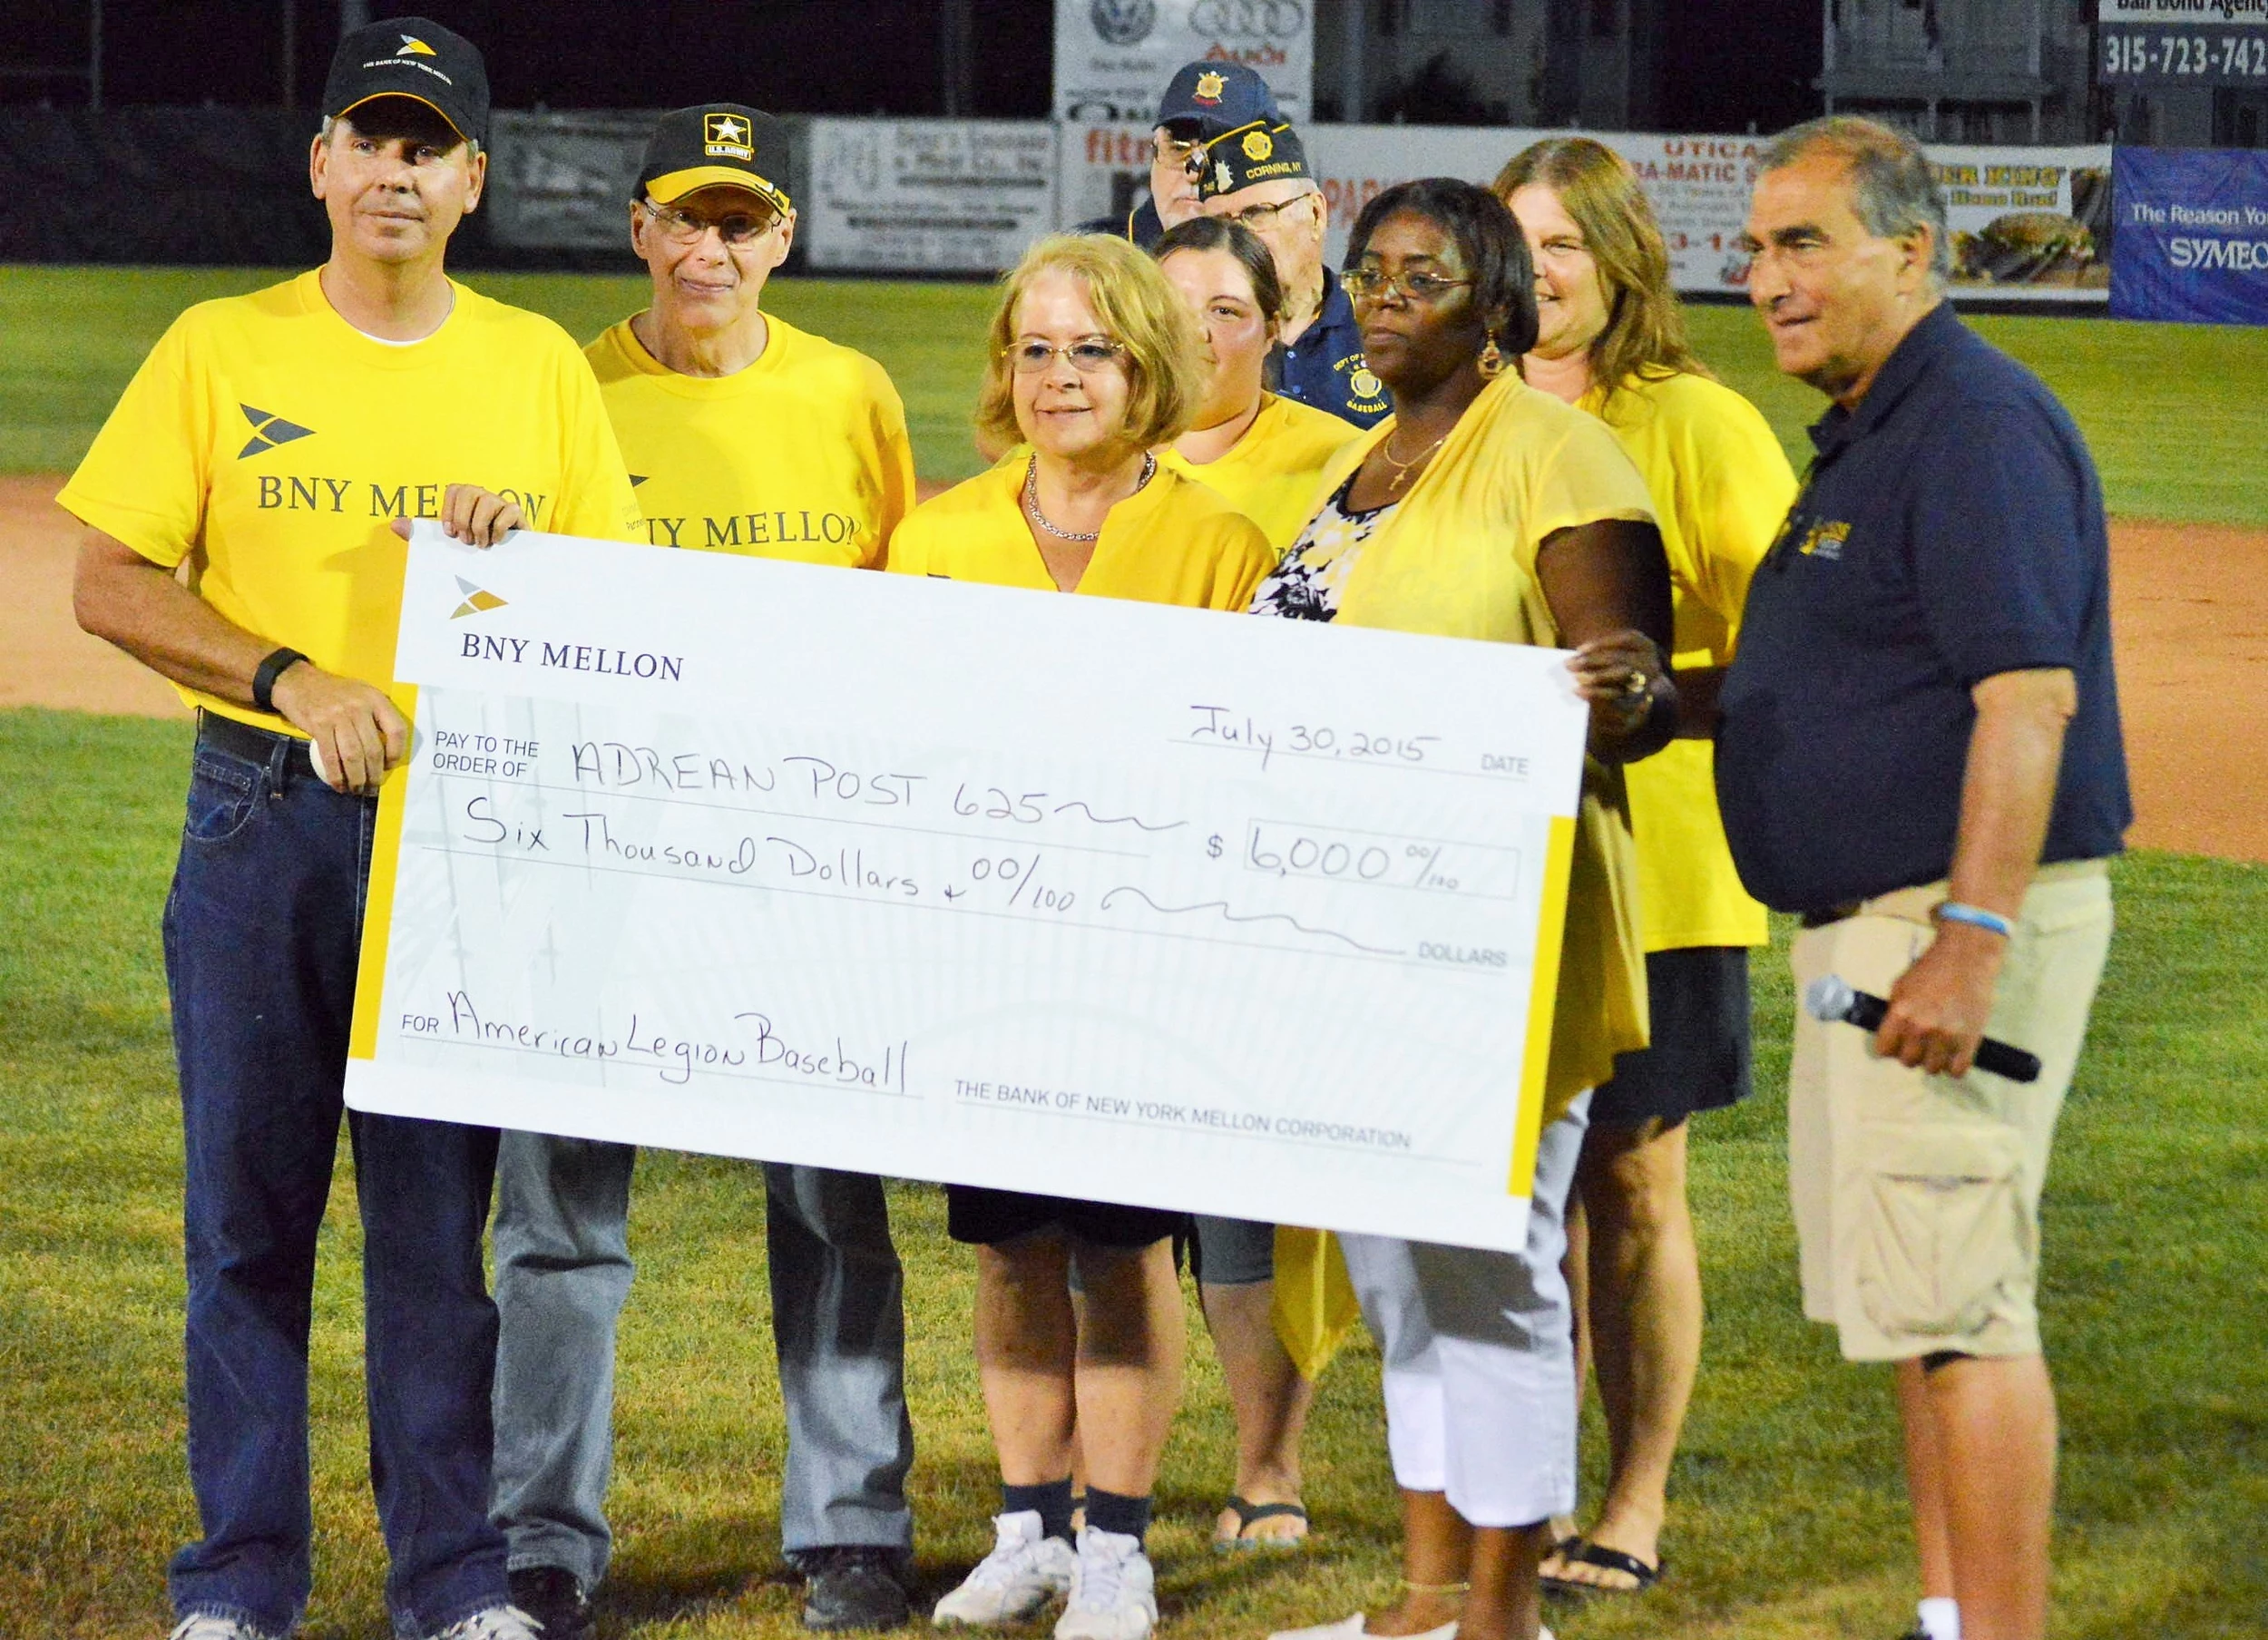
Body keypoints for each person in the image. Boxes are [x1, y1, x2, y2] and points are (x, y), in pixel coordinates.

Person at [62, 18, 640, 1640]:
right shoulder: (219, 344)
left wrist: (522, 553)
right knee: (245, 1221)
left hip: (461, 835)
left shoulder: (533, 366)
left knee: (429, 1235)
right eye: (369, 138)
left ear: (474, 180)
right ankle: (239, 1580)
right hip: (261, 808)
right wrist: (291, 673)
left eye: (428, 144)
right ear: (320, 162)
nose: (396, 169)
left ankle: (452, 1582)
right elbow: (107, 577)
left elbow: (624, 600)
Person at [487, 105, 920, 1640]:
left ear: (782, 239)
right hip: (596, 854)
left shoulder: (851, 391)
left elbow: (900, 611)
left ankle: (854, 1525)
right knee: (559, 1213)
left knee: (825, 1201)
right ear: (641, 229)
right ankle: (541, 1545)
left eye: (744, 222)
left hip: (792, 865)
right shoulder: (557, 385)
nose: (715, 248)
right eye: (691, 217)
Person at [1719, 117, 2129, 1640]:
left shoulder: (1970, 426)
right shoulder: (1883, 425)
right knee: (1914, 1301)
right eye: (1756, 248)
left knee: (1960, 1305)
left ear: (1913, 249)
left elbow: (2029, 695)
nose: (1765, 277)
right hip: (1876, 920)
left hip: (1941, 917)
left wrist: (1968, 933)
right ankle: (1950, 1615)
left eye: (1804, 243)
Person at [1256, 179, 1677, 1640]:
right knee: (1403, 1279)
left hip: (1497, 934)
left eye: (1422, 279)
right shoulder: (1371, 466)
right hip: (1358, 937)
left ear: (1496, 307)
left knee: (1489, 1277)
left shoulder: (1560, 454)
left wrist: (1624, 686)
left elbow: (1627, 673)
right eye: (1369, 275)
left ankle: (1502, 1620)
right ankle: (1428, 1607)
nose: (1381, 298)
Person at [888, 233, 1276, 1640]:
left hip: (1141, 965)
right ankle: (1026, 1528)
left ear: (1148, 363)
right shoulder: (935, 538)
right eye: (1035, 349)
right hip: (987, 963)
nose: (1060, 377)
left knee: (1121, 1255)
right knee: (1004, 1252)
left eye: (1093, 348)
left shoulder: (1224, 543)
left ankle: (1117, 1544)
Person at [1491, 136, 1799, 1599]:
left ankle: (1633, 1497)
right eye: (1519, 244)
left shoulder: (1697, 421)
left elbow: (1779, 645)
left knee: (1633, 1187)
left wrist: (1651, 699)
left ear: (1621, 261)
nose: (1541, 273)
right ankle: (1524, 1492)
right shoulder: (1459, 417)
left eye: (1565, 245)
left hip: (1658, 867)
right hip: (1490, 870)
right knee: (1517, 1200)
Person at [1148, 213, 1355, 1547]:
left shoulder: (1344, 463)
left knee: (1247, 1191)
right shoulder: (1085, 443)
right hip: (1115, 861)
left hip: (1265, 866)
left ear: (1283, 323)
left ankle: (1267, 1470)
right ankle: (1083, 1477)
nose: (1196, 335)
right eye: (1171, 308)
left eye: (1230, 309)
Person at [1196, 120, 1391, 429]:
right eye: (1222, 224)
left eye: (1258, 213)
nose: (1239, 238)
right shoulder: (1192, 339)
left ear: (1316, 214)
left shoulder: (1382, 321)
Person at [1102, 62, 1281, 249]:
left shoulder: (1281, 271)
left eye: (1221, 153)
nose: (1194, 173)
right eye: (1178, 148)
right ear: (1154, 148)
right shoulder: (1089, 262)